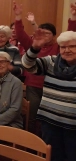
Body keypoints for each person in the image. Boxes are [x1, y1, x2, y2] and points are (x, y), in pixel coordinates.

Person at [14, 1, 76, 134]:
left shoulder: (59, 48)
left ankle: (45, 147)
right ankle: (31, 147)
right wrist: (18, 17)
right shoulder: (34, 44)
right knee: (32, 117)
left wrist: (73, 18)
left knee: (47, 121)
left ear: (54, 36)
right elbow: (20, 34)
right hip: (33, 87)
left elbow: (71, 35)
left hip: (54, 90)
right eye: (43, 33)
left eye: (48, 34)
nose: (45, 36)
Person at [22, 30, 76, 161]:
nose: (67, 50)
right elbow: (27, 65)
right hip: (50, 123)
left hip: (73, 126)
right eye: (63, 47)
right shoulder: (51, 61)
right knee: (53, 157)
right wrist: (35, 48)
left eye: (72, 46)